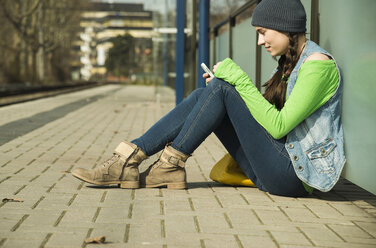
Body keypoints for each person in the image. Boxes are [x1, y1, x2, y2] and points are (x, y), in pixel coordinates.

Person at [72, 0, 345, 197]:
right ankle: (134, 160)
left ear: (284, 27)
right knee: (212, 91)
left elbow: (278, 126)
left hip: (295, 177)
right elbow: (261, 118)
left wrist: (238, 81)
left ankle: (147, 164)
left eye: (263, 32)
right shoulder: (288, 62)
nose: (260, 42)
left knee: (223, 89)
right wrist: (227, 88)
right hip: (274, 167)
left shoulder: (317, 65)